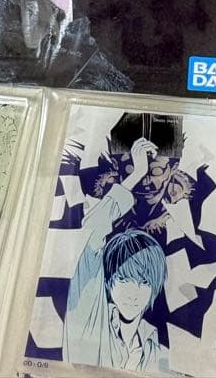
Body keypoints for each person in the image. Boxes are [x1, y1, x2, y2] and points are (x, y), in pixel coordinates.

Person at [64, 137, 169, 372]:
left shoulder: (154, 348)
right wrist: (137, 173)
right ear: (109, 282)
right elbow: (92, 229)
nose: (133, 294)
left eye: (143, 282)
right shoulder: (88, 316)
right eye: (124, 279)